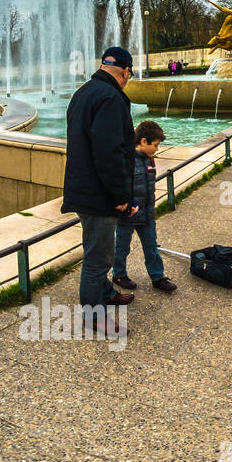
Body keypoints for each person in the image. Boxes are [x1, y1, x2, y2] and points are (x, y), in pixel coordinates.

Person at [61, 45, 138, 324]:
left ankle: (105, 292)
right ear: (126, 71)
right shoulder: (110, 97)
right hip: (100, 195)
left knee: (96, 247)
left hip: (84, 189)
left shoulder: (84, 92)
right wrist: (120, 194)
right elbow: (109, 153)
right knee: (98, 258)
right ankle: (94, 315)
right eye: (130, 73)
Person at [110, 119, 174, 296]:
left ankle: (157, 277)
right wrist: (130, 205)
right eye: (156, 145)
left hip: (147, 215)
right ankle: (119, 275)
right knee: (121, 247)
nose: (157, 149)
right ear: (144, 141)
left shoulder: (149, 160)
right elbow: (120, 187)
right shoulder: (127, 160)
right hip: (128, 215)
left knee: (151, 246)